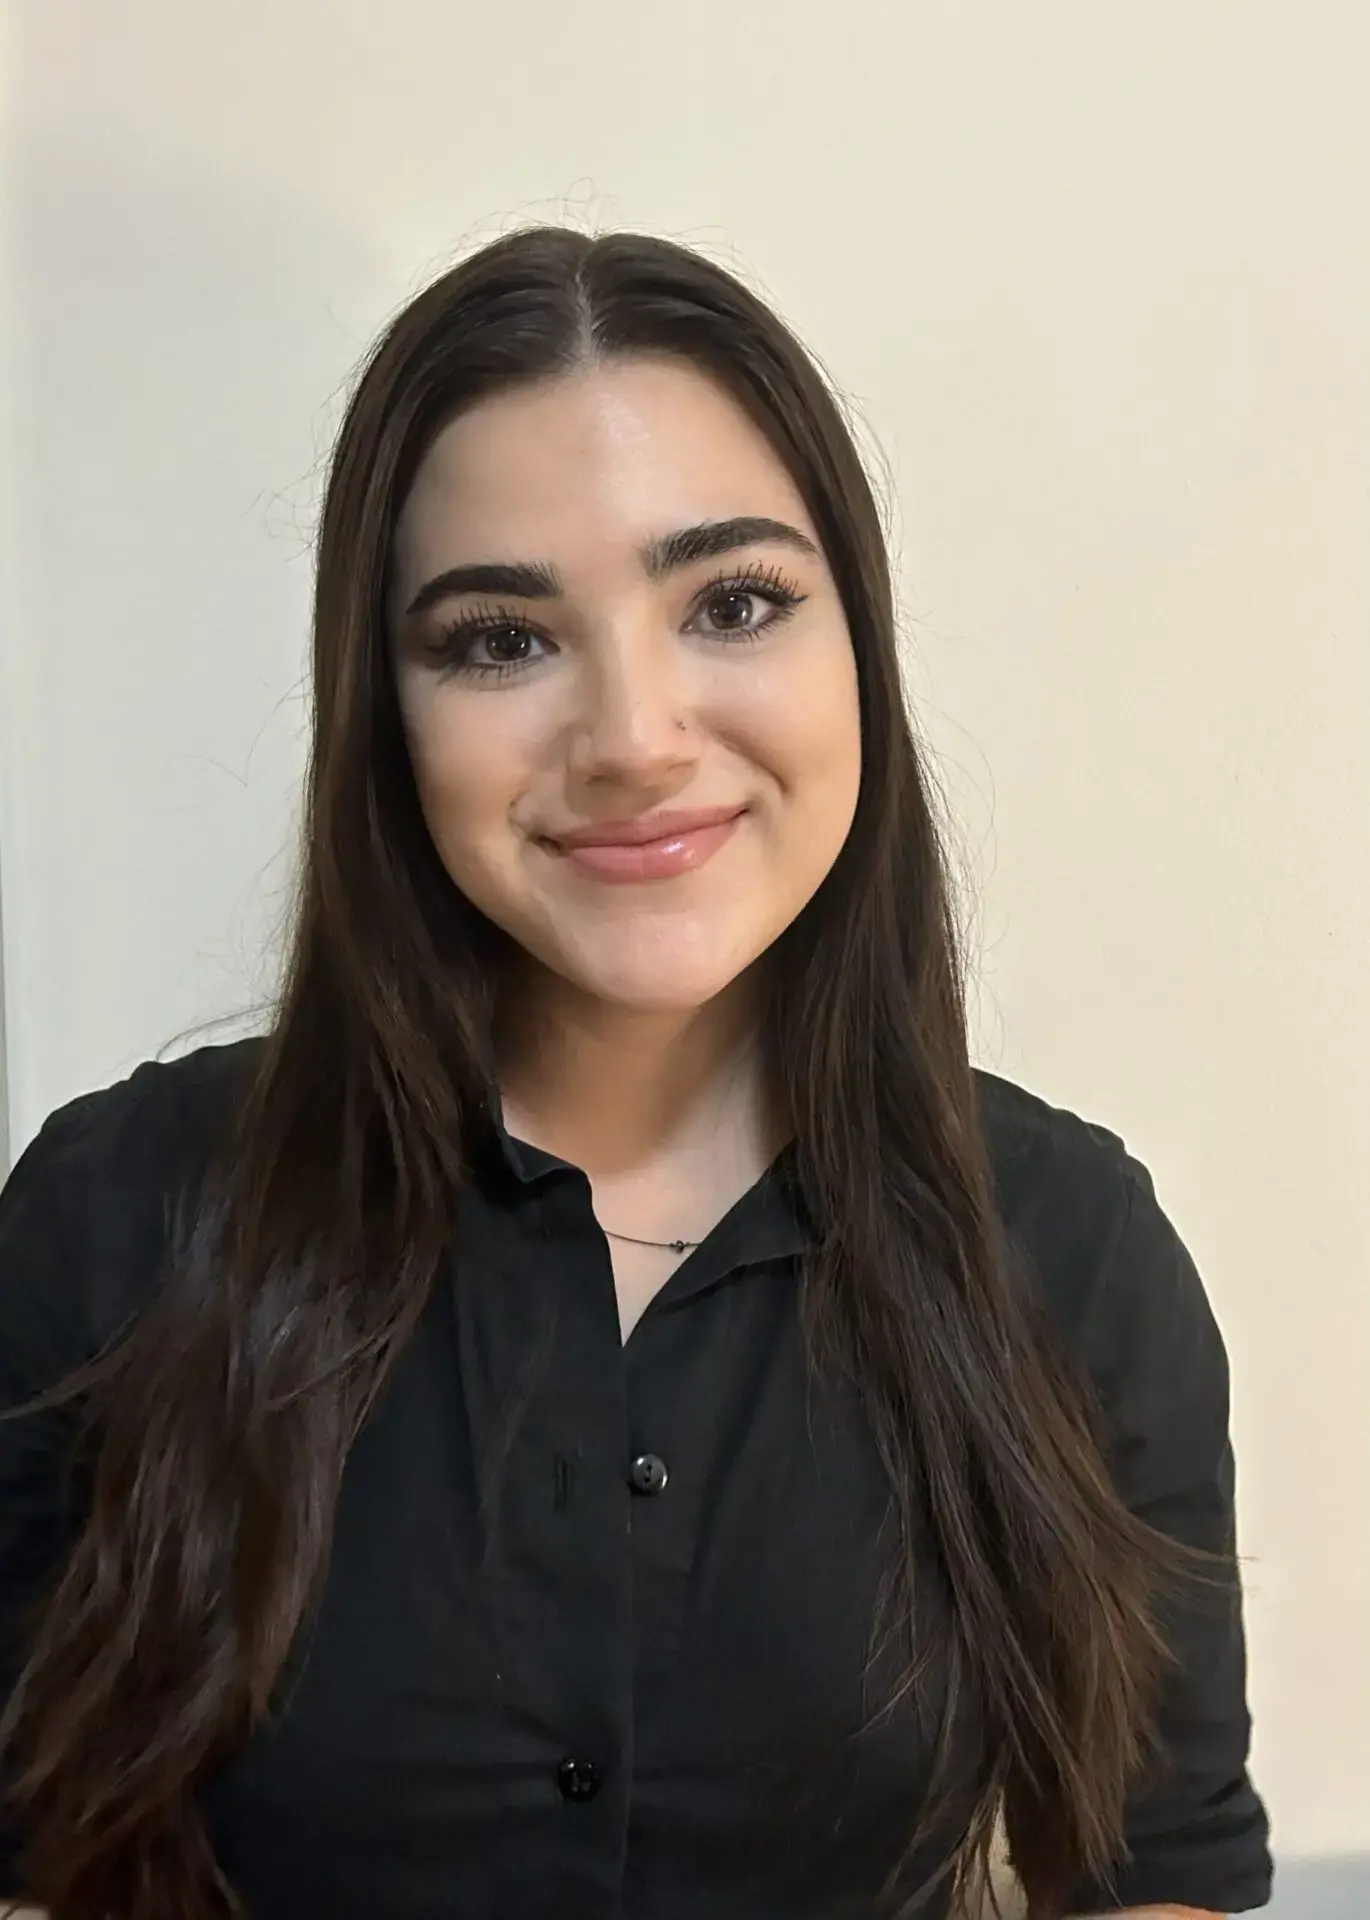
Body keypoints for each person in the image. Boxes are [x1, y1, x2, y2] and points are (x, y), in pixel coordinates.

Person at [0, 227, 1271, 1920]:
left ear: (857, 652)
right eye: (498, 640)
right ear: (386, 716)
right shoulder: (112, 1222)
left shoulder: (1076, 1251)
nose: (635, 735)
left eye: (732, 603)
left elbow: (1147, 1879)